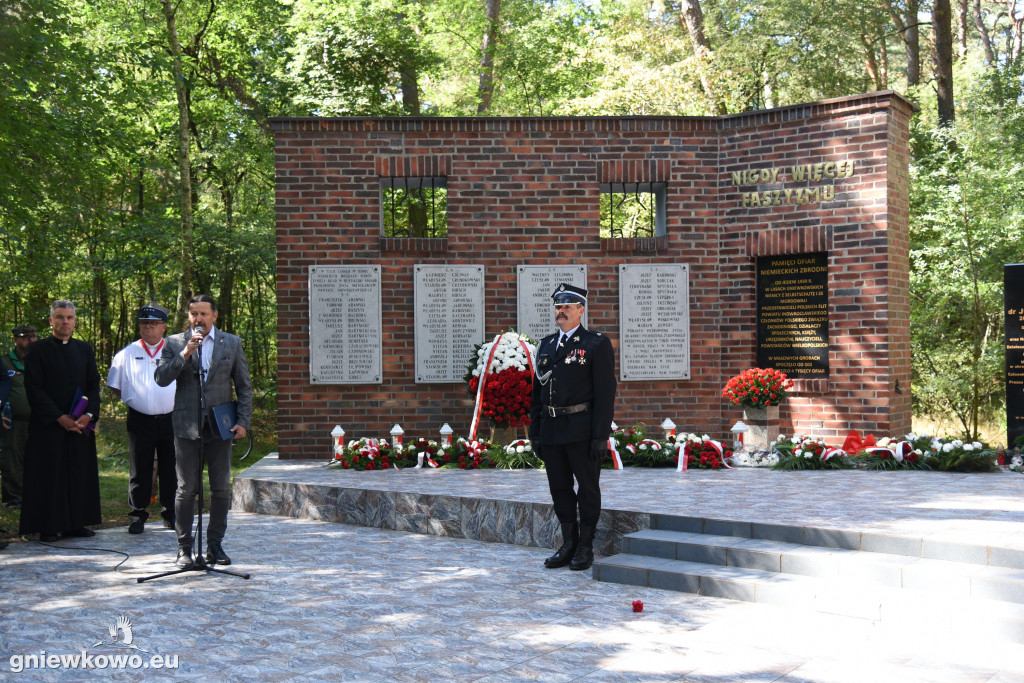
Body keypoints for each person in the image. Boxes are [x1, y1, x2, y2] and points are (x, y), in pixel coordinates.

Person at [156, 294, 252, 568]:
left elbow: (244, 386)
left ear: (214, 315)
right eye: (193, 314)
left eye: (203, 314)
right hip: (187, 426)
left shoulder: (231, 343)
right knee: (186, 490)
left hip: (220, 427)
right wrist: (185, 354)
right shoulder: (174, 343)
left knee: (220, 489)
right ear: (188, 316)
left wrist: (243, 421)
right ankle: (184, 549)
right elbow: (161, 379)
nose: (198, 319)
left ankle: (215, 546)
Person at [529, 284, 616, 572]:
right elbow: (537, 392)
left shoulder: (595, 344)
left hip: (581, 429)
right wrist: (536, 431)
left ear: (581, 310)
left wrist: (600, 435)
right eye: (558, 306)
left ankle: (585, 547)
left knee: (587, 489)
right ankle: (568, 544)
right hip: (552, 429)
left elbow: (605, 393)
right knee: (559, 489)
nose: (561, 311)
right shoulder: (545, 345)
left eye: (568, 306)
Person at [19, 302, 102, 541]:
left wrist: (90, 415)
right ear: (51, 321)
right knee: (49, 474)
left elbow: (93, 384)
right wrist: (58, 417)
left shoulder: (84, 349)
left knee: (79, 471)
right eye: (59, 317)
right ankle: (48, 526)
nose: (65, 322)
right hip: (49, 425)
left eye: (69, 317)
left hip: (80, 424)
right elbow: (34, 388)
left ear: (75, 321)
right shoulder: (37, 350)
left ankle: (76, 523)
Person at [107, 304, 177, 534]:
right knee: (140, 468)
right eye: (144, 323)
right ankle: (137, 514)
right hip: (140, 419)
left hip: (171, 418)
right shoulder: (126, 353)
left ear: (164, 327)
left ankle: (170, 512)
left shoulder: (176, 350)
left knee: (171, 467)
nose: (148, 327)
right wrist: (137, 399)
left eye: (153, 323)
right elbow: (115, 387)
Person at [1, 324, 36, 510]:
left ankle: (33, 496)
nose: (30, 340)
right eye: (25, 337)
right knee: (11, 459)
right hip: (13, 420)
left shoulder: (39, 360)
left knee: (36, 459)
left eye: (33, 336)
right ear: (15, 339)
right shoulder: (5, 362)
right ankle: (13, 500)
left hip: (38, 420)